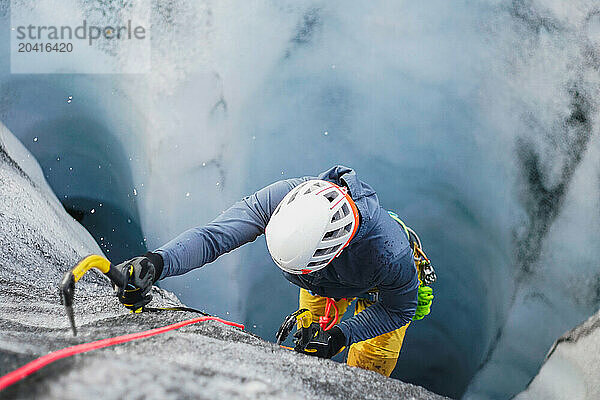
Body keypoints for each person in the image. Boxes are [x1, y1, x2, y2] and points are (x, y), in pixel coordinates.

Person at [115, 165, 434, 376]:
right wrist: (158, 262)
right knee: (306, 342)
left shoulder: (386, 253)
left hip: (380, 293)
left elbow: (397, 309)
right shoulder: (284, 199)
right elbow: (216, 237)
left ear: (330, 254)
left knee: (369, 370)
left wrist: (342, 334)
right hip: (325, 283)